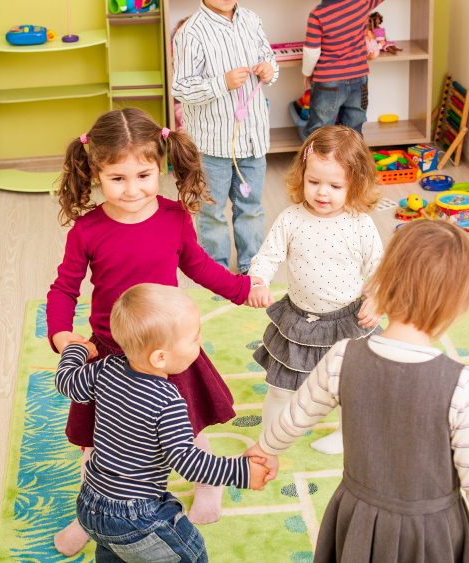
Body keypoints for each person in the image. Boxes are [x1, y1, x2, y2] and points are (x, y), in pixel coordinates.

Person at [246, 220, 469, 563]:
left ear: (380, 284)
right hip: (431, 534)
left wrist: (264, 449)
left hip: (357, 518)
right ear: (459, 304)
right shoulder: (462, 384)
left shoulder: (341, 357)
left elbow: (294, 417)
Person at [47, 107, 268, 555]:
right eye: (118, 179)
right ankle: (91, 516)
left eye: (144, 175)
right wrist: (60, 334)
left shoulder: (173, 218)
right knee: (96, 438)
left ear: (161, 166)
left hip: (168, 348)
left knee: (187, 425)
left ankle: (208, 486)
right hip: (109, 352)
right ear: (96, 173)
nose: (133, 190)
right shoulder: (88, 230)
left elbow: (201, 268)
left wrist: (243, 290)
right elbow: (64, 288)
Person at [56, 284, 272, 563]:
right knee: (191, 556)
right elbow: (188, 461)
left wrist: (76, 351)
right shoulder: (167, 400)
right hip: (136, 517)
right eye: (194, 339)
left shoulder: (104, 369)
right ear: (160, 357)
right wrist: (241, 472)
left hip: (89, 505)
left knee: (115, 555)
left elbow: (66, 381)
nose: (201, 339)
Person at [247, 125, 383, 455]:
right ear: (302, 174)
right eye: (314, 182)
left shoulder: (359, 223)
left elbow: (380, 269)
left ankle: (346, 434)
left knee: (350, 387)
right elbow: (268, 256)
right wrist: (258, 280)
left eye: (335, 185)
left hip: (348, 322)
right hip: (298, 322)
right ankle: (270, 438)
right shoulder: (291, 219)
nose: (323, 192)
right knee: (280, 387)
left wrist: (379, 298)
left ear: (355, 184)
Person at [171, 0, 279, 275]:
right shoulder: (191, 31)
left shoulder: (252, 20)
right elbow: (182, 89)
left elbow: (270, 59)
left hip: (252, 139)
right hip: (212, 144)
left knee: (251, 208)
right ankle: (215, 273)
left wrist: (269, 69)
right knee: (212, 211)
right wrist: (223, 82)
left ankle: (252, 269)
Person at [302, 0, 391, 139]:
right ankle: (352, 161)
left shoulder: (317, 14)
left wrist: (308, 73)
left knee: (320, 132)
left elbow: (311, 52)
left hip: (328, 81)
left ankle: (319, 160)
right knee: (353, 131)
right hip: (359, 78)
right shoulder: (362, 3)